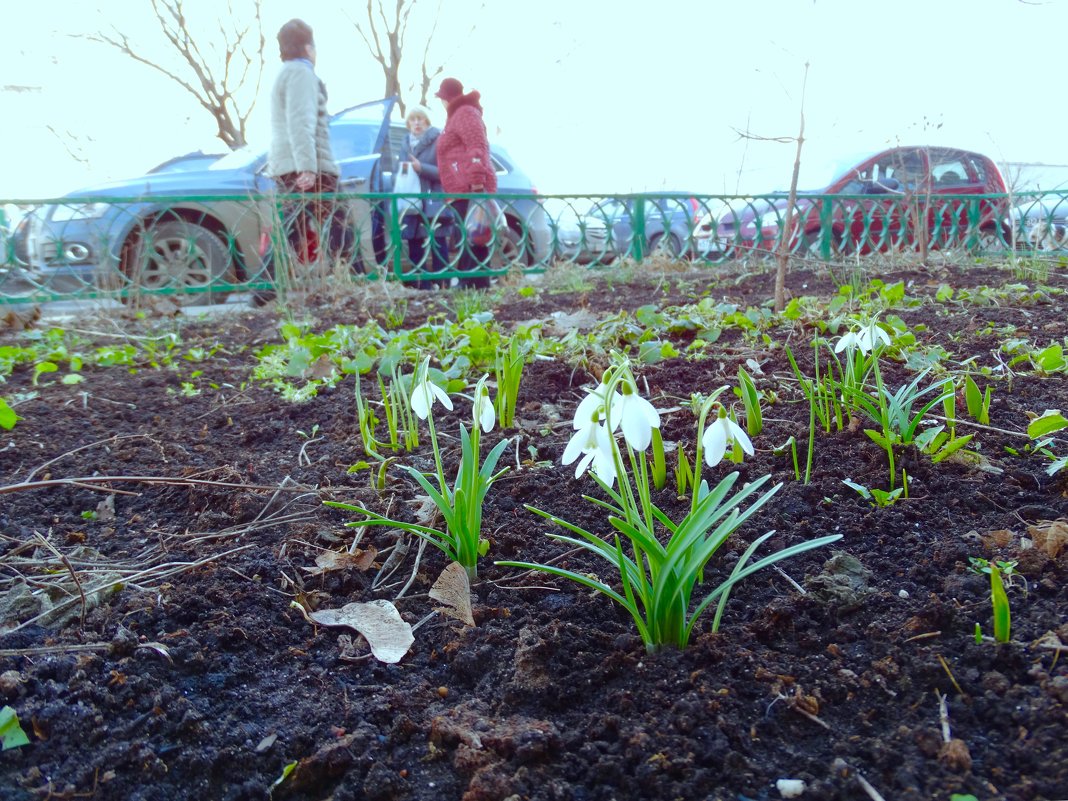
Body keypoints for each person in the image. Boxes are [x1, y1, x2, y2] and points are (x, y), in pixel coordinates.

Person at [267, 19, 355, 280]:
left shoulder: (285, 73)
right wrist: (306, 167)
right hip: (310, 166)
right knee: (340, 224)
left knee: (293, 229)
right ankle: (351, 278)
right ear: (308, 48)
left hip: (292, 164)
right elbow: (300, 121)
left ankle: (265, 287)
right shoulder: (301, 73)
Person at [435, 77, 498, 289]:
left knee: (476, 236)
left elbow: (477, 147)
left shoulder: (465, 113)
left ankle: (475, 288)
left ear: (445, 98)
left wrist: (477, 183)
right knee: (469, 236)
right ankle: (471, 286)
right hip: (463, 189)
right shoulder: (458, 115)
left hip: (471, 188)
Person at [397, 105, 449, 289]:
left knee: (438, 239)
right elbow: (401, 169)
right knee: (414, 240)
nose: (417, 123)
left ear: (427, 121)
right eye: (413, 119)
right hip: (411, 198)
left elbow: (446, 172)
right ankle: (422, 285)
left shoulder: (438, 140)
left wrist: (422, 168)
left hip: (433, 197)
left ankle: (442, 284)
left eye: (420, 118)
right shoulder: (405, 143)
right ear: (408, 123)